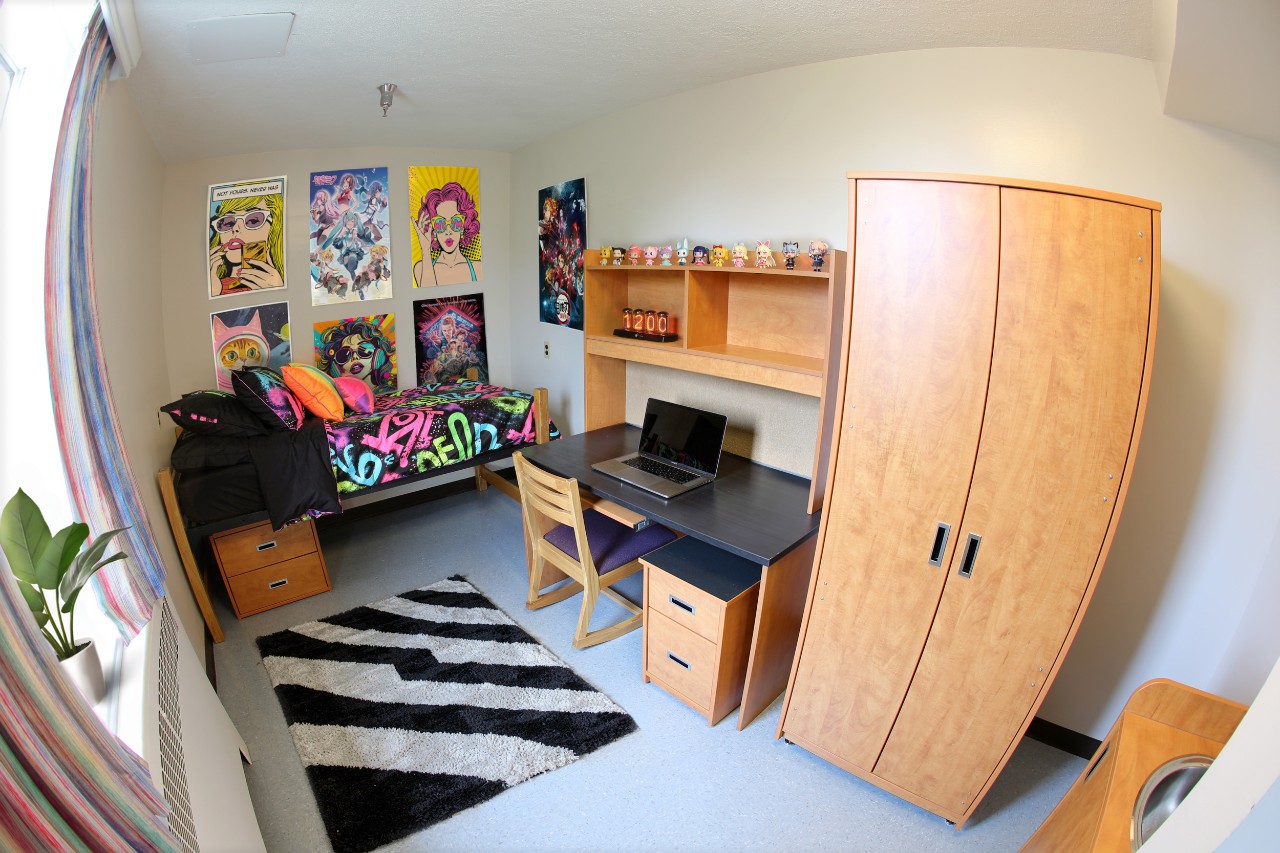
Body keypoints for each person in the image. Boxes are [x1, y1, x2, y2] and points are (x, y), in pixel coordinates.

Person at [208, 193, 285, 297]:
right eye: (227, 222)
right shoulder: (214, 286)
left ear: (275, 228)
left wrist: (277, 292)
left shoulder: (284, 282)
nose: (235, 228)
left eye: (253, 220)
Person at [413, 181, 483, 286]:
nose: (448, 231)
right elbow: (428, 298)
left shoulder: (478, 268)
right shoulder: (420, 268)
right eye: (440, 223)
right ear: (433, 231)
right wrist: (426, 251)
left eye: (456, 221)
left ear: (464, 226)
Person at [316, 318, 395, 393]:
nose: (354, 357)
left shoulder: (390, 390)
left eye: (363, 349)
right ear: (336, 368)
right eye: (344, 355)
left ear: (378, 354)